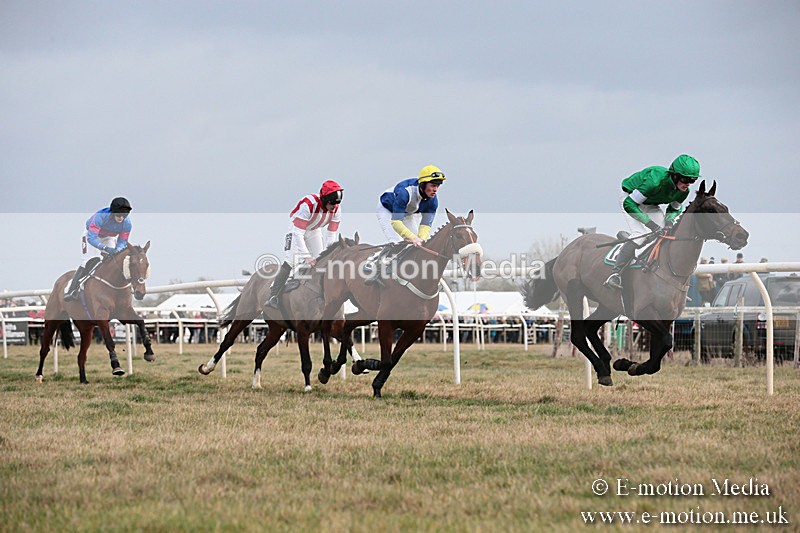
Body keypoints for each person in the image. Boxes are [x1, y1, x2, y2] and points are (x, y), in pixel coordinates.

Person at [605, 154, 700, 290]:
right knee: (640, 234)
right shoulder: (654, 182)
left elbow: (673, 209)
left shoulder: (684, 191)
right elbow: (629, 204)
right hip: (630, 199)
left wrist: (669, 222)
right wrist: (650, 224)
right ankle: (615, 274)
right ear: (675, 175)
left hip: (650, 204)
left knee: (665, 234)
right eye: (685, 179)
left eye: (693, 180)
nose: (688, 184)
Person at [266, 180, 343, 308]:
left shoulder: (337, 210)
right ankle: (273, 295)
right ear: (325, 199)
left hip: (313, 229)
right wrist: (306, 256)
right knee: (291, 260)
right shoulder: (308, 205)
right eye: (333, 203)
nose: (335, 206)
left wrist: (329, 255)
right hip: (297, 229)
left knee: (321, 261)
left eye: (338, 203)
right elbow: (298, 234)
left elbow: (331, 235)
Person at [64, 197, 133, 301]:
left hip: (109, 237)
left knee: (114, 259)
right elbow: (91, 238)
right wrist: (105, 248)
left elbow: (122, 242)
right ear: (112, 212)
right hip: (92, 236)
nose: (121, 218)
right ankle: (71, 289)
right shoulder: (100, 217)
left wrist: (117, 250)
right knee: (88, 261)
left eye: (124, 215)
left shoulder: (127, 223)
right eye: (118, 215)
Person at [376, 165, 445, 246]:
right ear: (423, 184)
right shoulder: (405, 193)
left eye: (437, 186)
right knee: (397, 243)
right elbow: (396, 222)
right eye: (433, 186)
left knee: (418, 246)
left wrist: (422, 239)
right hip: (387, 210)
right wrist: (413, 238)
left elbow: (425, 225)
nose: (435, 189)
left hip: (407, 213)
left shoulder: (433, 201)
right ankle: (383, 258)